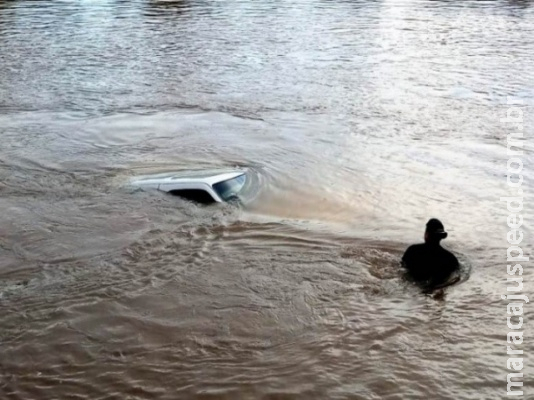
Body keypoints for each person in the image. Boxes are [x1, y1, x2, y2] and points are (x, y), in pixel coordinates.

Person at [401, 218, 460, 289]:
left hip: (413, 286)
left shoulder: (413, 250)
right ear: (441, 237)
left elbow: (402, 268)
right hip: (436, 286)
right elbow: (455, 276)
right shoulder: (450, 258)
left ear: (426, 235)